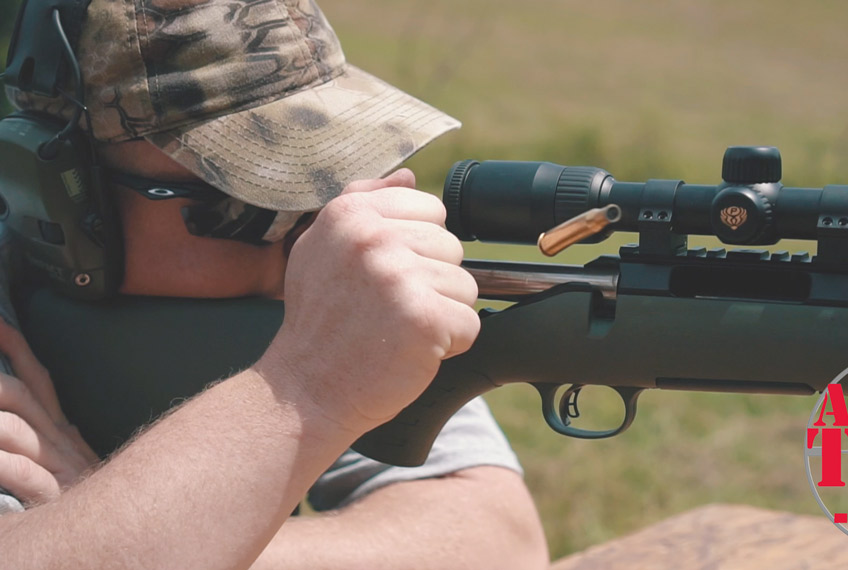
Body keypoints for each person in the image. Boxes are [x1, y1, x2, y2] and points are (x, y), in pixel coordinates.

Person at [0, 0, 549, 568]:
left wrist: (112, 521)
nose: (313, 243)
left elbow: (500, 539)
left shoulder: (311, 310)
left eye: (323, 190)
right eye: (243, 208)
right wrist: (303, 389)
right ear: (55, 197)